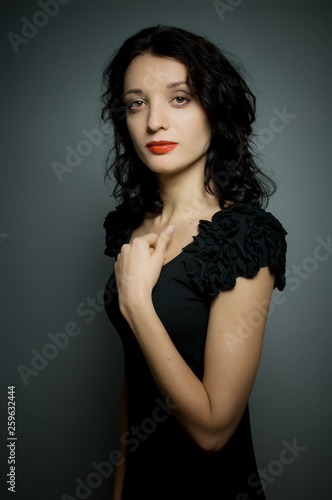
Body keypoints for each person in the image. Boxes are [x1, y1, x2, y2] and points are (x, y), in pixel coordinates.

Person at [101, 25, 287, 500]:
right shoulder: (127, 228)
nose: (154, 122)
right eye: (136, 102)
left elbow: (212, 432)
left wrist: (138, 303)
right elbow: (135, 374)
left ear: (214, 109)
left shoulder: (245, 236)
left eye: (179, 98)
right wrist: (120, 489)